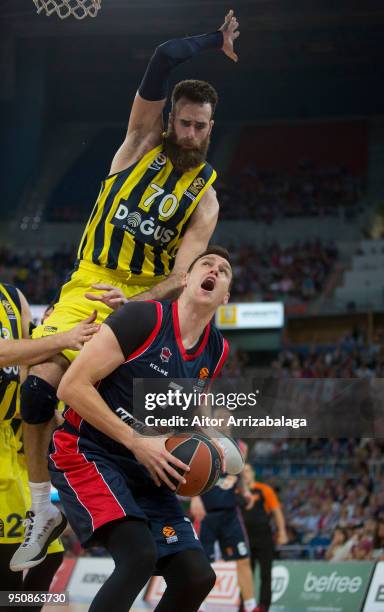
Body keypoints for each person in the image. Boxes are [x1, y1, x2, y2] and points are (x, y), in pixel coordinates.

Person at [13, 9, 240, 571]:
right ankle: (44, 509)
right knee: (38, 395)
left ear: (212, 128)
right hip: (89, 283)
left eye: (201, 127)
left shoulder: (205, 199)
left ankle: (139, 511)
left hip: (144, 306)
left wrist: (136, 304)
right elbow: (163, 56)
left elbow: (183, 278)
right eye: (184, 123)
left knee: (130, 417)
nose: (191, 134)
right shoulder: (138, 144)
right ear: (169, 121)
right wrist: (215, 40)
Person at [47, 247, 232, 612]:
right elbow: (72, 387)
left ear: (225, 295)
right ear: (186, 279)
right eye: (206, 264)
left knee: (196, 576)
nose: (214, 269)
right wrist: (136, 440)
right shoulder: (142, 318)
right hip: (89, 452)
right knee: (139, 556)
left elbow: (181, 417)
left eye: (224, 270)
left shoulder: (217, 350)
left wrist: (209, 443)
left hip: (149, 468)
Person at [0, 281, 98, 594]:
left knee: (50, 556)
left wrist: (43, 410)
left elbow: (28, 356)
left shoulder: (13, 296)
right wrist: (63, 338)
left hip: (19, 444)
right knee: (7, 563)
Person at [190, 433, 258, 612]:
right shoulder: (201, 441)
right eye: (220, 416)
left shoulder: (240, 445)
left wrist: (244, 491)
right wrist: (195, 497)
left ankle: (251, 607)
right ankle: (199, 605)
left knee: (243, 559)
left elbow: (240, 474)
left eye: (226, 417)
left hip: (230, 513)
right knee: (202, 562)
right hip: (206, 514)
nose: (223, 420)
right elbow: (191, 469)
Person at [241, 463, 288, 612]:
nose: (245, 474)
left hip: (264, 539)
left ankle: (263, 606)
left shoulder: (264, 489)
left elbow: (276, 511)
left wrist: (282, 531)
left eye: (248, 471)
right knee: (245, 574)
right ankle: (244, 606)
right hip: (245, 540)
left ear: (253, 473)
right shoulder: (237, 492)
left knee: (265, 574)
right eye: (242, 472)